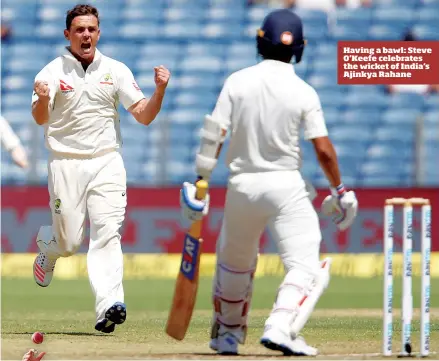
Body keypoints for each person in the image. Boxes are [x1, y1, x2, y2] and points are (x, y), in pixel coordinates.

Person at [180, 9, 358, 356]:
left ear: (261, 40)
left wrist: (200, 181)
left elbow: (214, 134)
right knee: (307, 265)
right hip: (285, 188)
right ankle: (280, 326)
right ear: (299, 48)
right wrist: (339, 190)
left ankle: (227, 336)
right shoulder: (304, 91)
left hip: (242, 186)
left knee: (235, 263)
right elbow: (322, 149)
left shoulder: (238, 81)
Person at [31, 4, 170, 333]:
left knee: (108, 233)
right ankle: (49, 249)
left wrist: (160, 91)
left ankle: (109, 304)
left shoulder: (115, 70)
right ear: (68, 34)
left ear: (98, 32)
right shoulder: (50, 73)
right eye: (79, 30)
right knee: (69, 243)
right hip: (66, 162)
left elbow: (144, 115)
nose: (86, 35)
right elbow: (40, 120)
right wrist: (40, 100)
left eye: (91, 29)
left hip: (107, 161)